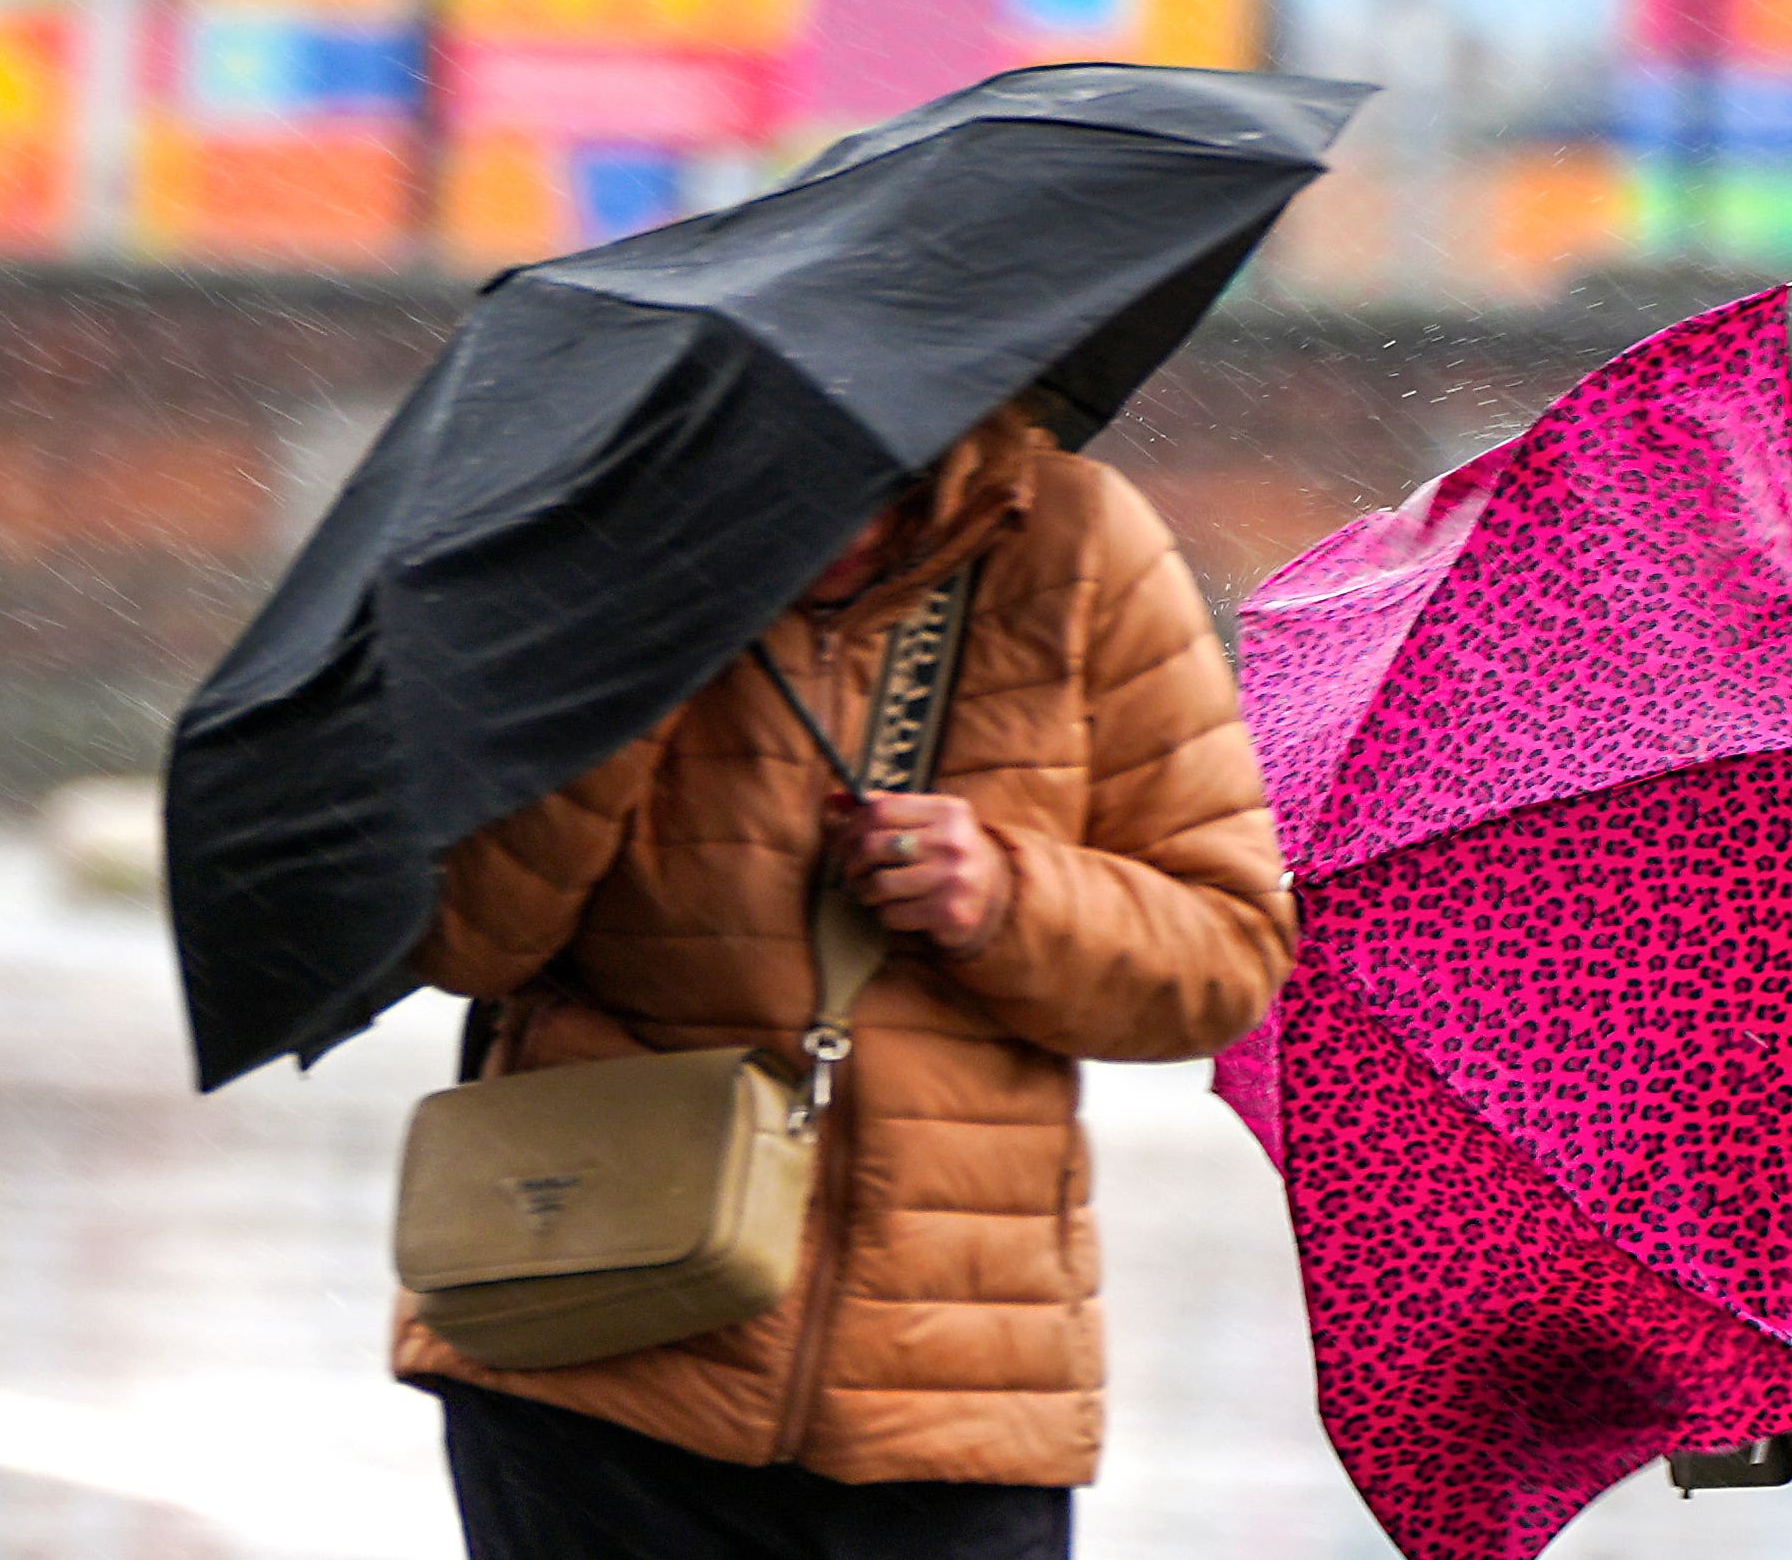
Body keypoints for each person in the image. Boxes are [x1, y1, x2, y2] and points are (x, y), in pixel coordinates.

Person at [394, 397, 1298, 1560]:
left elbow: (1226, 955)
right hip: (595, 1342)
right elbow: (470, 941)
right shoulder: (597, 545)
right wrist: (632, 664)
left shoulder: (1076, 543)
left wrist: (1008, 896)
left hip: (955, 1398)